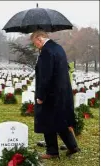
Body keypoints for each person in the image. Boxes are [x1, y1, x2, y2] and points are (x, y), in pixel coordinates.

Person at [31, 30, 80, 159]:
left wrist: (41, 96)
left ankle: (52, 151)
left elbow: (45, 76)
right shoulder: (58, 48)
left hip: (50, 94)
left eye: (35, 42)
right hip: (61, 92)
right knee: (60, 120)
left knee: (48, 121)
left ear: (39, 39)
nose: (35, 45)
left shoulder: (46, 52)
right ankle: (72, 146)